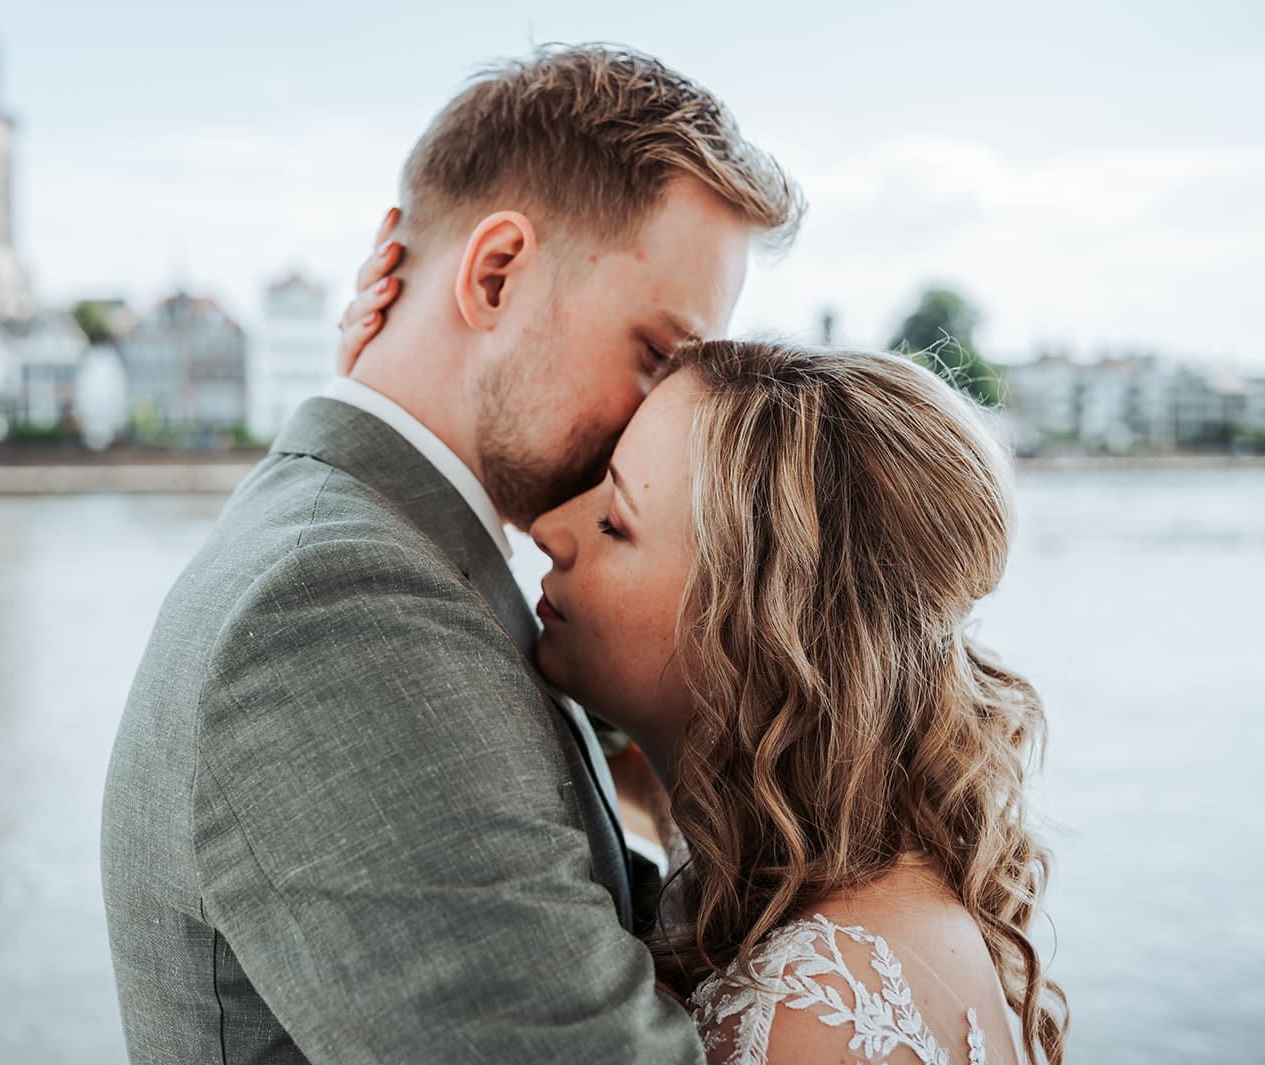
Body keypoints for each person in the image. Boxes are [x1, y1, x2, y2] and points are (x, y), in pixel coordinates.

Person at [100, 44, 802, 1065]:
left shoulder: (393, 542)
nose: (662, 424)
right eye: (655, 357)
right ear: (495, 272)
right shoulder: (336, 608)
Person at [340, 290, 1070, 1062]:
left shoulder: (811, 1014)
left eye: (613, 520)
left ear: (757, 635)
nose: (549, 531)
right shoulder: (846, 876)